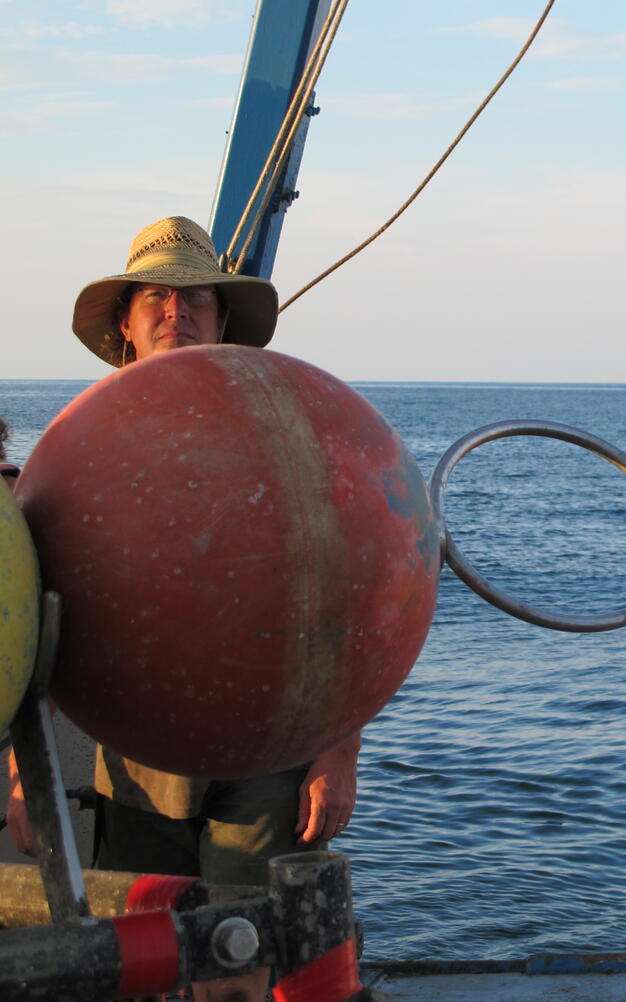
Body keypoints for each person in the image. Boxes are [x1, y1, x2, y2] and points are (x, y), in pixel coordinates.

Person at [4, 217, 360, 1001]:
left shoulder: (288, 438)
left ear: (224, 321)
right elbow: (28, 616)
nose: (178, 312)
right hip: (136, 754)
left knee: (243, 951)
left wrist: (338, 751)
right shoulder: (79, 450)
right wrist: (24, 774)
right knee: (146, 952)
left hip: (267, 749)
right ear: (126, 328)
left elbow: (350, 593)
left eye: (197, 297)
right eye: (157, 298)